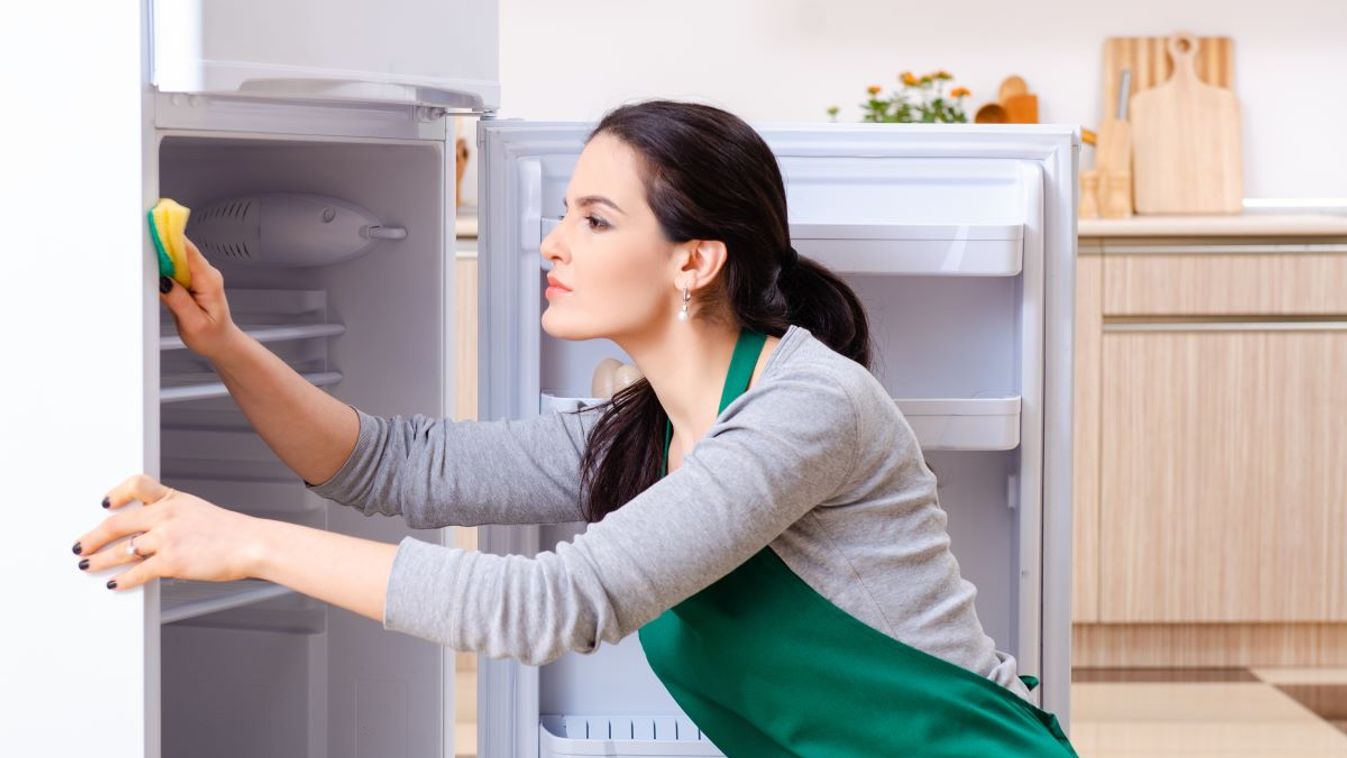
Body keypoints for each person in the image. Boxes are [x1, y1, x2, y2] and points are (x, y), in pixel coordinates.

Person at [72, 99, 1078, 756]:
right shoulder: (644, 429)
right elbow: (389, 464)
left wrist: (242, 539)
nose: (553, 241)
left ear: (695, 261)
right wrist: (227, 343)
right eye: (564, 213)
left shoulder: (808, 407)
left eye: (596, 220)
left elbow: (554, 602)